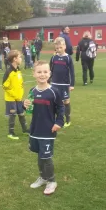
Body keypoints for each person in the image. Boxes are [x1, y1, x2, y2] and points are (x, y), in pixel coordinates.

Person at [24, 60, 64, 195]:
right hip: (35, 129)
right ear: (34, 74)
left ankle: (52, 181)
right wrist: (25, 104)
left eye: (45, 72)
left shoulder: (54, 91)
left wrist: (59, 122)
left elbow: (61, 108)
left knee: (46, 157)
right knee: (40, 156)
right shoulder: (32, 91)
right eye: (39, 72)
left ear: (50, 73)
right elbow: (29, 109)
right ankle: (43, 177)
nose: (42, 74)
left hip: (48, 130)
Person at [2, 50, 28, 140]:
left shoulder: (18, 70)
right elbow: (5, 86)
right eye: (20, 57)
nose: (21, 59)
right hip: (11, 99)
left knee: (21, 113)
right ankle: (11, 133)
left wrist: (20, 94)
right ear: (15, 59)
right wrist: (14, 94)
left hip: (18, 98)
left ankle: (25, 130)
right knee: (12, 115)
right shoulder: (9, 72)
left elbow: (20, 83)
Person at [50, 37, 75, 128]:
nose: (59, 50)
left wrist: (72, 84)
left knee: (66, 101)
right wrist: (48, 81)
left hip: (64, 84)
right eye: (57, 48)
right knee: (54, 102)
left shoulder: (68, 58)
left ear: (64, 46)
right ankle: (56, 118)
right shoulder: (53, 58)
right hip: (54, 84)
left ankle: (67, 119)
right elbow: (50, 70)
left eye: (60, 47)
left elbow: (72, 72)